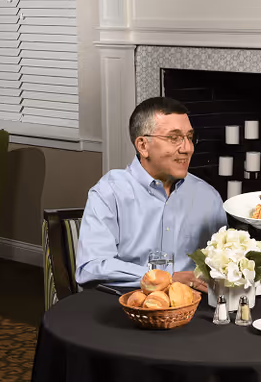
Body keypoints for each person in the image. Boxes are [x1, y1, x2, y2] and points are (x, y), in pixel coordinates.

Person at [76, 97, 225, 291]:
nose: (187, 148)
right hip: (125, 306)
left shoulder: (208, 196)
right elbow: (91, 267)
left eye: (189, 137)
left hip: (192, 308)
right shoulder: (109, 193)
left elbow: (222, 266)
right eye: (174, 138)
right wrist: (168, 278)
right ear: (143, 146)